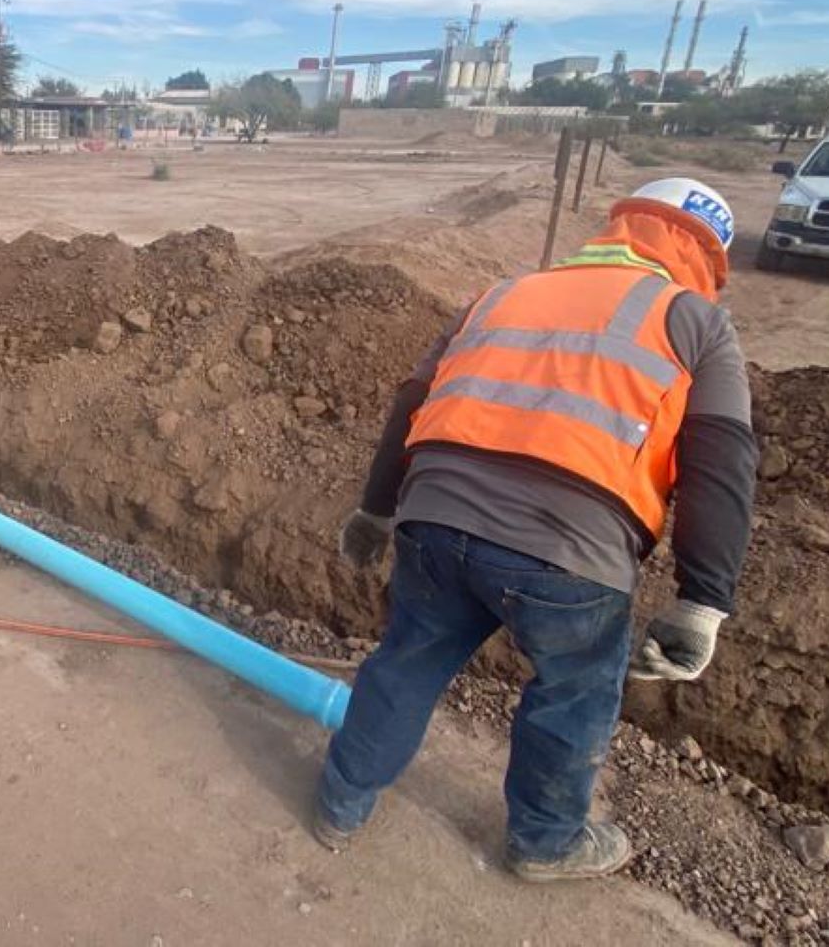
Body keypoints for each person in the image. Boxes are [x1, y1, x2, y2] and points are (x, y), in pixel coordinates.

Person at [315, 178, 759, 882]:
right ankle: (545, 842)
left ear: (620, 226)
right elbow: (721, 461)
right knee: (574, 690)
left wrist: (377, 508)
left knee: (406, 661)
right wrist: (703, 599)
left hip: (436, 519)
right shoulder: (696, 322)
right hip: (571, 551)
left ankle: (341, 803)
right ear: (708, 258)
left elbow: (412, 400)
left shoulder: (503, 293)